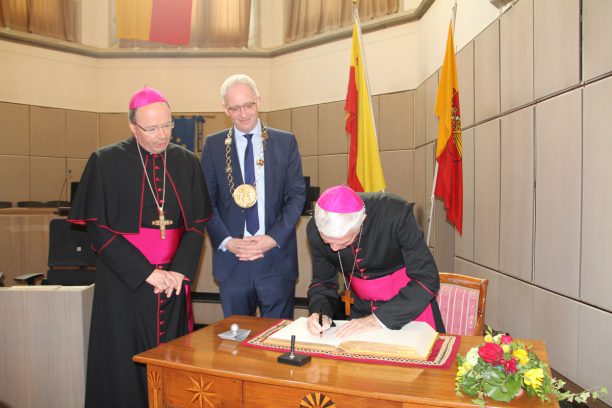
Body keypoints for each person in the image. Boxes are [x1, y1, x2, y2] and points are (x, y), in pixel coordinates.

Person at [69, 86, 211, 408]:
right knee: (122, 365)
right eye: (152, 128)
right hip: (124, 284)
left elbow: (195, 225)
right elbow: (98, 228)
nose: (162, 136)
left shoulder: (186, 162)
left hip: (173, 285)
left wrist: (179, 272)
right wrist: (146, 273)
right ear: (133, 127)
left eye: (167, 125)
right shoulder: (105, 161)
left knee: (171, 361)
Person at [200, 74, 305, 319]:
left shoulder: (285, 142)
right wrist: (227, 241)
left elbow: (296, 196)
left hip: (275, 260)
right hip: (233, 261)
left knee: (277, 343)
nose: (244, 114)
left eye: (249, 105)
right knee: (237, 344)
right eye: (235, 108)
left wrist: (272, 238)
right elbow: (205, 202)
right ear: (225, 108)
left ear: (258, 100)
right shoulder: (214, 146)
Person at [306, 185, 446, 338]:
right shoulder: (314, 230)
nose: (333, 249)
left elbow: (427, 278)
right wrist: (321, 313)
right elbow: (323, 282)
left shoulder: (395, 213)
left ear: (362, 220)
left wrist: (377, 320)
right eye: (327, 241)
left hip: (407, 307)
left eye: (344, 242)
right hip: (360, 312)